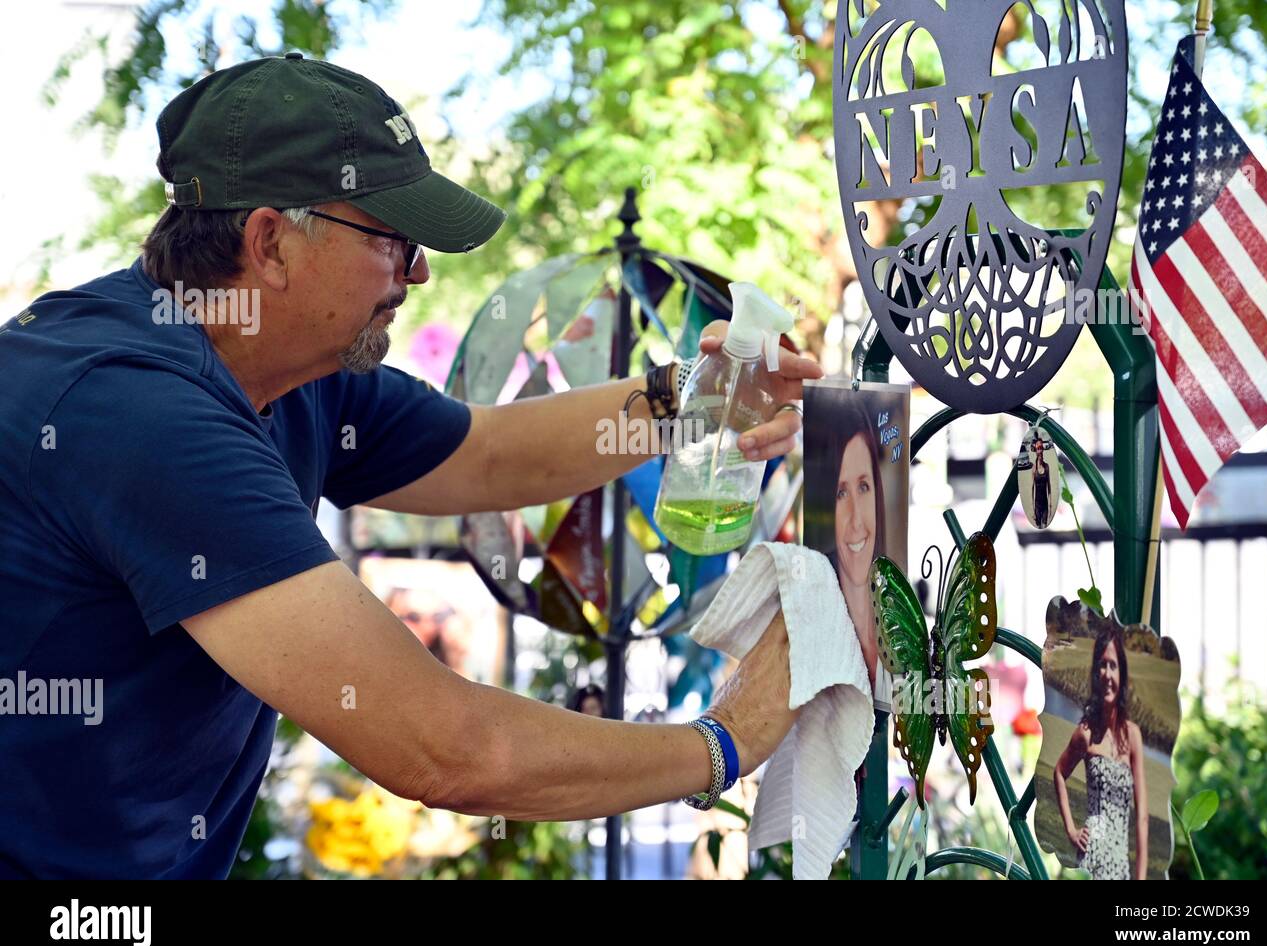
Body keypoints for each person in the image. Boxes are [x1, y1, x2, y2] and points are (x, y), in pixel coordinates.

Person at [0, 53, 823, 878]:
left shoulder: (283, 368)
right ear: (270, 243)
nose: (420, 271)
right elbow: (445, 748)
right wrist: (726, 742)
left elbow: (490, 452)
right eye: (393, 239)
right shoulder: (139, 412)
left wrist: (697, 392)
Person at [1052, 624, 1149, 879]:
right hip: (1092, 855)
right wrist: (1072, 830)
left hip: (1120, 862)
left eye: (1113, 666)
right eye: (1102, 665)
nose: (1107, 673)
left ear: (1122, 675)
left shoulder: (1133, 736)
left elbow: (1142, 817)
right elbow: (1059, 773)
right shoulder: (1085, 733)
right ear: (1095, 673)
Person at [805, 394, 888, 692]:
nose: (856, 521)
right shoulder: (815, 636)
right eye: (840, 493)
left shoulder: (896, 624)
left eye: (863, 487)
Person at [1031, 435, 1053, 528]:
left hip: (1045, 504)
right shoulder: (1033, 468)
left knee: (1044, 525)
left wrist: (1051, 505)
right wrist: (1032, 508)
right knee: (1038, 526)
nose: (1039, 450)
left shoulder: (1046, 466)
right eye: (1038, 448)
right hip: (1037, 504)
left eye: (1041, 448)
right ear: (1035, 450)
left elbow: (1049, 487)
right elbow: (1032, 488)